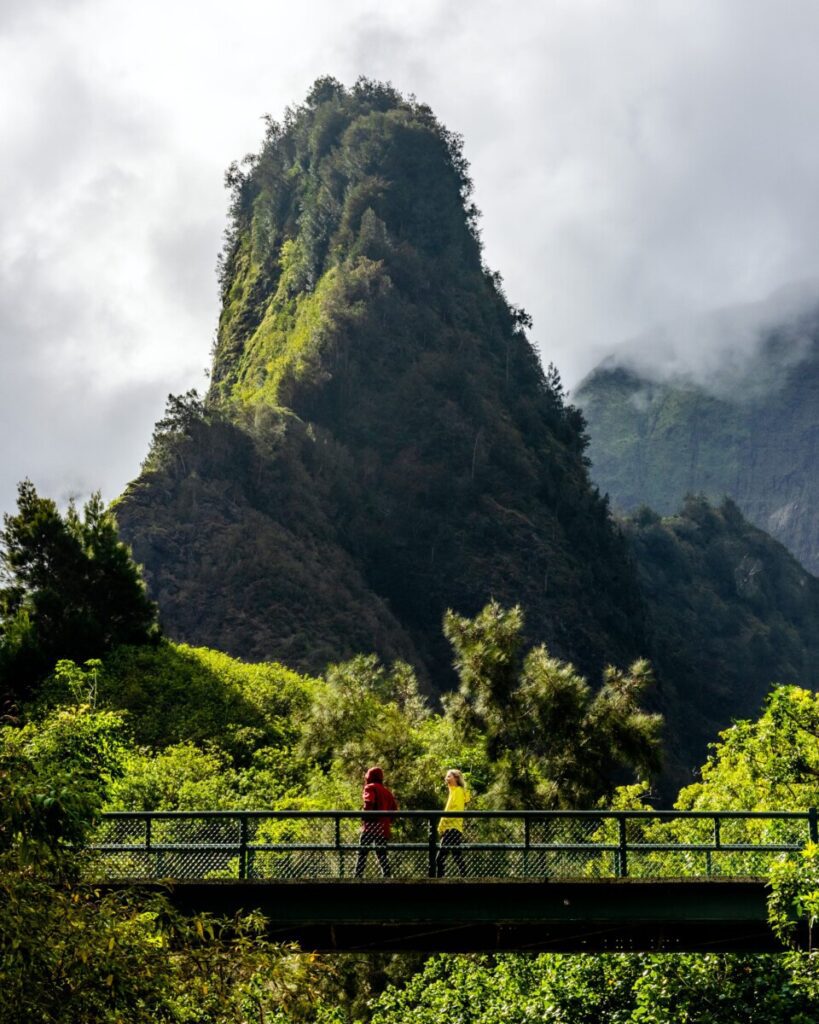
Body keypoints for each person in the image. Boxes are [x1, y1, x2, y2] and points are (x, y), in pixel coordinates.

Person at [354, 766, 398, 878]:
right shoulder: (387, 792)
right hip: (383, 828)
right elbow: (394, 810)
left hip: (370, 826)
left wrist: (365, 816)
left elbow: (369, 802)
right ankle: (387, 876)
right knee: (382, 854)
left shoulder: (369, 787)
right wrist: (387, 822)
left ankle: (358, 877)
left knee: (362, 853)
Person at [436, 768, 470, 877]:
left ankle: (439, 880)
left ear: (455, 778)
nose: (446, 778)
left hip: (452, 828)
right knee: (456, 856)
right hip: (452, 828)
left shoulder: (458, 792)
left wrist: (442, 825)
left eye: (449, 776)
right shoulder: (453, 791)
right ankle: (465, 877)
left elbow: (454, 811)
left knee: (440, 858)